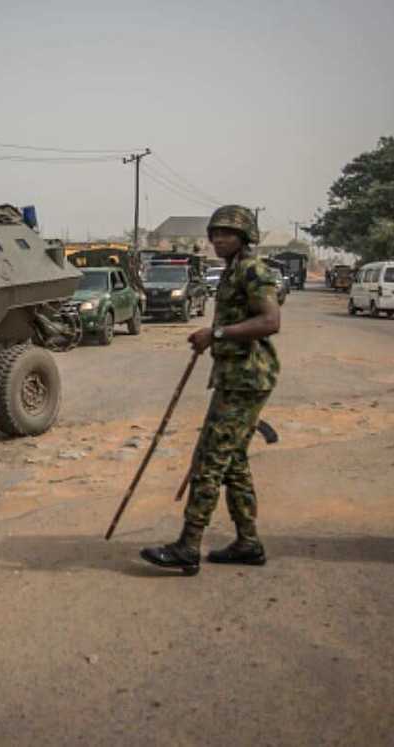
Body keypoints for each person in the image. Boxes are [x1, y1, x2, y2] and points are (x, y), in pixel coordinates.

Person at [140, 205, 281, 575]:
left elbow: (270, 321)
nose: (219, 239)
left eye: (228, 234)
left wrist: (215, 334)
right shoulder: (235, 268)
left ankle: (188, 545)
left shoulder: (253, 270)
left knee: (208, 461)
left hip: (247, 379)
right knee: (233, 462)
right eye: (215, 233)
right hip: (234, 375)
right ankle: (248, 543)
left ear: (245, 237)